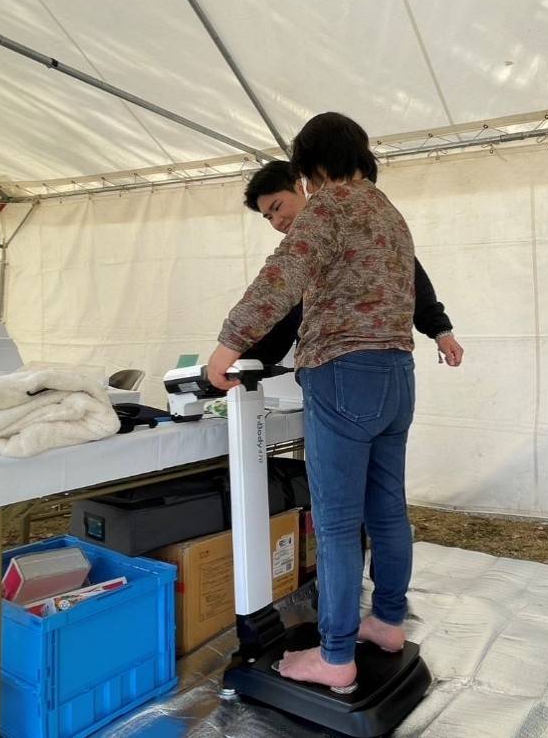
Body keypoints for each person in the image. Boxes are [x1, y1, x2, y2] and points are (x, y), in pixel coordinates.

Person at [208, 112, 417, 692]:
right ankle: (388, 622)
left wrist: (228, 345)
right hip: (398, 373)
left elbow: (282, 274)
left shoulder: (330, 205)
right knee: (388, 512)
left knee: (338, 523)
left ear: (312, 164)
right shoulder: (390, 213)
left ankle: (336, 655)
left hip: (343, 372)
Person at [241, 160, 464, 368]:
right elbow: (283, 319)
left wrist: (440, 330)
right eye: (268, 217)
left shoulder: (352, 222)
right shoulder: (301, 252)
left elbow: (409, 275)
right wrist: (240, 360)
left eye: (277, 207)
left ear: (300, 186)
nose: (277, 221)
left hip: (360, 360)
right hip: (349, 365)